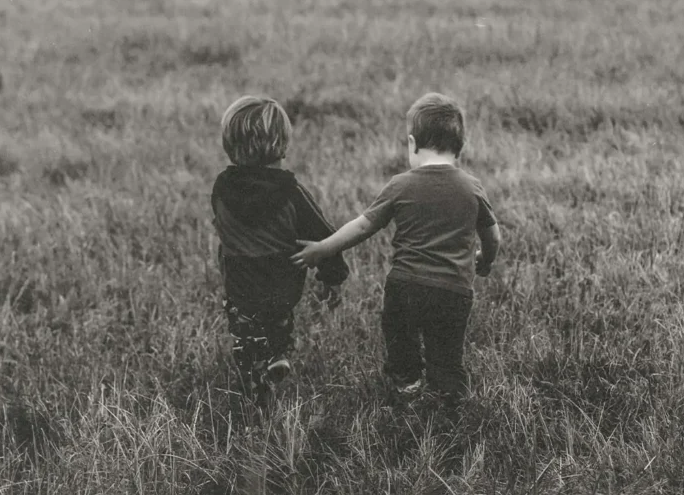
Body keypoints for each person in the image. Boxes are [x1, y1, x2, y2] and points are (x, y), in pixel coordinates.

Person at [292, 93, 500, 403]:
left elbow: (363, 226)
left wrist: (323, 248)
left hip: (406, 286)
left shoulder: (401, 184)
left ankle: (408, 383)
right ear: (462, 147)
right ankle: (447, 397)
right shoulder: (472, 187)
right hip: (453, 291)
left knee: (400, 339)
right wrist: (485, 260)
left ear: (413, 143)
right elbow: (493, 235)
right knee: (446, 351)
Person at [212, 95, 348, 407]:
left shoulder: (221, 187)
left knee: (244, 333)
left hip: (239, 284)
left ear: (228, 144)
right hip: (280, 285)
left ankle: (254, 381)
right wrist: (333, 276)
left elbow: (221, 225)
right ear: (282, 146)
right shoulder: (291, 193)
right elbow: (324, 235)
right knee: (277, 323)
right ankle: (275, 356)